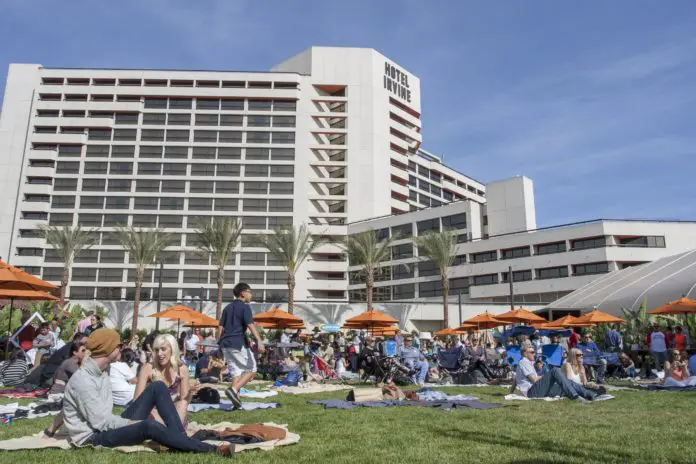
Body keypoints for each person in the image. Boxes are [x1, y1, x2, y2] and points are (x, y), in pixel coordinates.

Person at [61, 328, 233, 455]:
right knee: (149, 426)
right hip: (95, 436)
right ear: (108, 349)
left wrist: (51, 429)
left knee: (157, 387)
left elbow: (69, 405)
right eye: (118, 345)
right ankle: (212, 450)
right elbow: (101, 424)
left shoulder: (104, 370)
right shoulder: (83, 380)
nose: (121, 349)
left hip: (109, 424)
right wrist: (132, 425)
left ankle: (179, 440)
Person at [218, 282, 265, 409]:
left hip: (225, 344)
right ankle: (233, 390)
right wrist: (259, 340)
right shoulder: (245, 308)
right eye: (249, 292)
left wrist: (219, 344)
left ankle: (236, 403)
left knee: (236, 372)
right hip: (237, 342)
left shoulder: (227, 308)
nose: (251, 294)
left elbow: (220, 327)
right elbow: (250, 324)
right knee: (252, 369)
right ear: (243, 293)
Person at [135, 334, 197, 425]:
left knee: (182, 404)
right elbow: (137, 399)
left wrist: (191, 392)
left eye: (163, 349)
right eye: (156, 350)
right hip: (153, 412)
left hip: (173, 414)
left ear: (172, 349)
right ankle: (172, 432)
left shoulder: (182, 369)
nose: (159, 353)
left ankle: (171, 431)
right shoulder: (148, 368)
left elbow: (184, 401)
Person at [512, 343, 595, 400]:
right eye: (532, 352)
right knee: (555, 370)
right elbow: (534, 379)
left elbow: (516, 378)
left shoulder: (524, 363)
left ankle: (590, 394)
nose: (534, 354)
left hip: (535, 390)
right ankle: (574, 396)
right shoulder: (524, 362)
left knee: (566, 383)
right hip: (532, 392)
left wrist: (511, 392)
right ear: (525, 354)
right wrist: (550, 376)